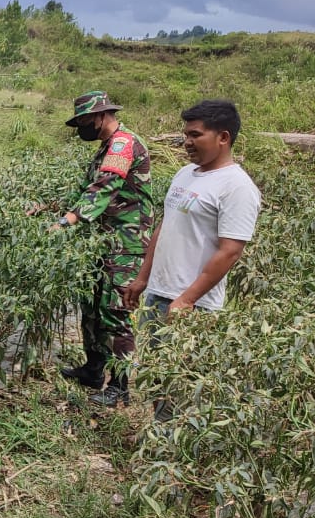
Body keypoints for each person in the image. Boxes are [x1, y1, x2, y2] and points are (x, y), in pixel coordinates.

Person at [53, 90, 153, 406]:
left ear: (101, 116)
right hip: (103, 242)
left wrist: (68, 221)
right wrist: (50, 208)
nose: (81, 126)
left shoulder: (123, 145)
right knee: (92, 309)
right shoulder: (104, 149)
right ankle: (94, 369)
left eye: (84, 119)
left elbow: (104, 187)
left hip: (125, 243)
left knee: (117, 313)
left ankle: (119, 388)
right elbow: (84, 191)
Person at [124, 99, 260, 318]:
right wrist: (142, 278)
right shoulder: (185, 173)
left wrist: (187, 299)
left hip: (194, 306)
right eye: (186, 135)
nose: (187, 142)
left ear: (223, 137)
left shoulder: (237, 186)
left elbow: (230, 251)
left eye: (195, 135)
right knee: (149, 353)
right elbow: (165, 226)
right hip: (157, 294)